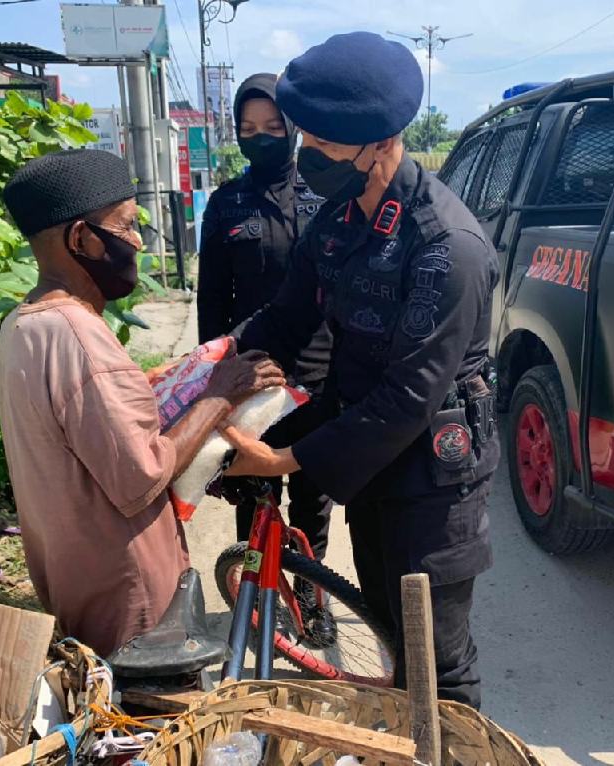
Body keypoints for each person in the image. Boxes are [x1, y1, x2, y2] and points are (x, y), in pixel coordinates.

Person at [222, 32, 499, 709]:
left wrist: (283, 460)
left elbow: (408, 397)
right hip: (368, 461)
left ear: (380, 143)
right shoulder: (340, 221)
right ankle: (406, 741)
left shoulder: (445, 246)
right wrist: (207, 370)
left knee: (438, 661)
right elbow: (287, 321)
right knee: (390, 630)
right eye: (305, 136)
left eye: (325, 142)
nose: (307, 153)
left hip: (434, 481)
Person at [0, 149, 285, 657]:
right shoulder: (79, 339)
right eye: (127, 226)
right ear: (82, 238)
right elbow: (142, 474)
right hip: (130, 594)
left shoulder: (25, 323)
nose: (137, 242)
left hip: (74, 576)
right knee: (152, 723)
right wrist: (220, 394)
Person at [196, 74, 333, 569]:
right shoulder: (226, 202)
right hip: (252, 373)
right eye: (248, 128)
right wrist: (213, 379)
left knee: (314, 497)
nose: (261, 137)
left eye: (273, 125)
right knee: (254, 491)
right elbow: (211, 297)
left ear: (293, 127)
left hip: (321, 372)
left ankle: (312, 601)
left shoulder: (327, 194)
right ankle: (255, 594)